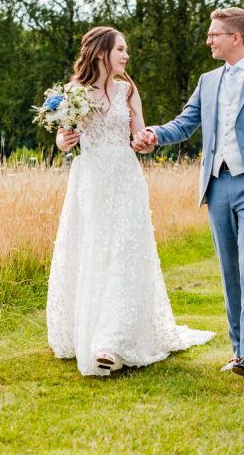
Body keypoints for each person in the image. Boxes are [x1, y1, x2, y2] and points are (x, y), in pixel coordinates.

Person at [132, 7, 244, 384]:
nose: (209, 40)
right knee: (229, 269)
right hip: (217, 184)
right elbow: (185, 123)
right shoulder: (208, 81)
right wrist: (153, 134)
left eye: (214, 34)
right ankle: (237, 350)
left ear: (236, 38)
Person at [46, 26, 215, 376]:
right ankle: (89, 330)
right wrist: (65, 140)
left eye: (127, 50)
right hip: (90, 180)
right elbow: (63, 140)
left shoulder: (128, 89)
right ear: (100, 53)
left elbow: (140, 132)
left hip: (126, 178)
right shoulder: (74, 93)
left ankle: (113, 341)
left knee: (125, 252)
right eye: (121, 49)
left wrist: (145, 141)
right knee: (94, 250)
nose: (126, 56)